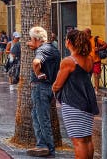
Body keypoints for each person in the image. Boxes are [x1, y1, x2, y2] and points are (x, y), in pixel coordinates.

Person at [52, 29, 99, 159]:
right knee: (87, 139)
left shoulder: (69, 61)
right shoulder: (89, 59)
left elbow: (58, 84)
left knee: (78, 141)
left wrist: (53, 89)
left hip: (73, 103)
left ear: (69, 42)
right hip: (87, 102)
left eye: (66, 39)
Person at [27, 25, 61, 158]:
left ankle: (49, 149)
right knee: (36, 115)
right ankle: (42, 145)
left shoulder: (43, 49)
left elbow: (36, 63)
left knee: (42, 118)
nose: (30, 42)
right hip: (48, 87)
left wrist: (38, 73)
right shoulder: (53, 48)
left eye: (31, 39)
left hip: (41, 87)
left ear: (37, 39)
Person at [84, 27, 107, 94]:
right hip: (88, 61)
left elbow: (106, 45)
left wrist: (99, 49)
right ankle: (87, 90)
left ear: (89, 33)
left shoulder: (96, 39)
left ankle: (96, 90)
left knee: (96, 75)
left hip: (96, 61)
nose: (85, 36)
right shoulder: (84, 40)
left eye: (85, 34)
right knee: (87, 76)